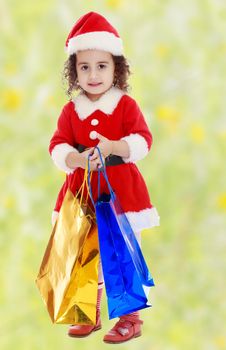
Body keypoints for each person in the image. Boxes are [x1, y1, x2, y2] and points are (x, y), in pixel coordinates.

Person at [49, 11, 160, 344]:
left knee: (122, 251)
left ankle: (130, 317)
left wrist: (118, 146)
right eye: (84, 67)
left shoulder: (125, 105)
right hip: (81, 191)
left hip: (121, 195)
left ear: (117, 68)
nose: (93, 74)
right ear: (74, 72)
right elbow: (58, 144)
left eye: (102, 66)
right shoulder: (71, 111)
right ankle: (87, 311)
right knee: (84, 252)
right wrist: (74, 157)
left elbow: (143, 140)